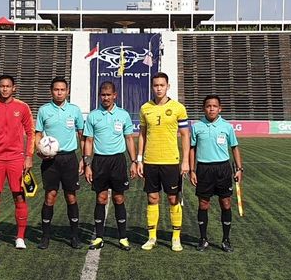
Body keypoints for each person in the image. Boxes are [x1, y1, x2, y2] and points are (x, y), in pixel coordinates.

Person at [0, 75, 35, 250]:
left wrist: (28, 156)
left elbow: (31, 132)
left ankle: (19, 237)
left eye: (8, 86)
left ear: (14, 88)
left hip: (16, 159)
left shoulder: (22, 107)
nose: (5, 89)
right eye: (2, 86)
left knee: (19, 196)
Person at [136, 72, 190, 252]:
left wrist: (185, 161)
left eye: (162, 85)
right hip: (151, 161)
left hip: (171, 161)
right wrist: (139, 159)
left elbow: (185, 135)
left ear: (168, 86)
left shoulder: (178, 108)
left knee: (173, 198)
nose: (159, 88)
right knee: (152, 198)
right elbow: (142, 135)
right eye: (156, 85)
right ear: (152, 87)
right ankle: (152, 237)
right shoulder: (145, 108)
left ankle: (176, 237)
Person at [82, 81, 137, 251]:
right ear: (100, 96)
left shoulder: (123, 115)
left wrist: (134, 162)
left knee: (119, 198)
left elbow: (129, 139)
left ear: (115, 95)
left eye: (108, 95)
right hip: (99, 161)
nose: (105, 98)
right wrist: (87, 164)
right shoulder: (92, 116)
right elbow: (88, 141)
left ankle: (123, 237)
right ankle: (99, 237)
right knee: (101, 198)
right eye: (103, 95)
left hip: (118, 161)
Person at [35, 76, 85, 250]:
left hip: (69, 158)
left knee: (71, 196)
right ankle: (45, 236)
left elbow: (81, 135)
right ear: (51, 91)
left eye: (62, 89)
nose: (59, 92)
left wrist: (84, 159)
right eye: (56, 89)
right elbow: (38, 134)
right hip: (50, 160)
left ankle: (74, 236)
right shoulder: (43, 110)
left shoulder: (75, 110)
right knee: (51, 196)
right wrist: (39, 151)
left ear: (67, 91)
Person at [189, 95, 243, 252]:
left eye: (214, 106)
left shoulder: (227, 127)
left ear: (220, 108)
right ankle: (203, 239)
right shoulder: (197, 126)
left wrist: (239, 169)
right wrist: (192, 170)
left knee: (225, 203)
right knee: (203, 204)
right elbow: (192, 148)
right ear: (203, 108)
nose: (211, 108)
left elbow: (235, 147)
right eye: (208, 106)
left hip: (223, 169)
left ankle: (226, 240)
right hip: (203, 169)